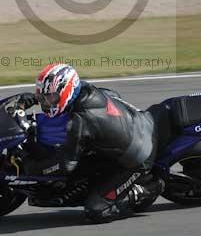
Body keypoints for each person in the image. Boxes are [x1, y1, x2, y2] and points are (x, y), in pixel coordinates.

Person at [19, 63, 161, 223]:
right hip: (140, 123)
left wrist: (31, 166)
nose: (46, 102)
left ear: (67, 91)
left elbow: (65, 166)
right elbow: (113, 94)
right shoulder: (86, 90)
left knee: (97, 210)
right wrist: (34, 100)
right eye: (43, 97)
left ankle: (147, 189)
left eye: (51, 97)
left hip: (139, 158)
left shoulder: (80, 122)